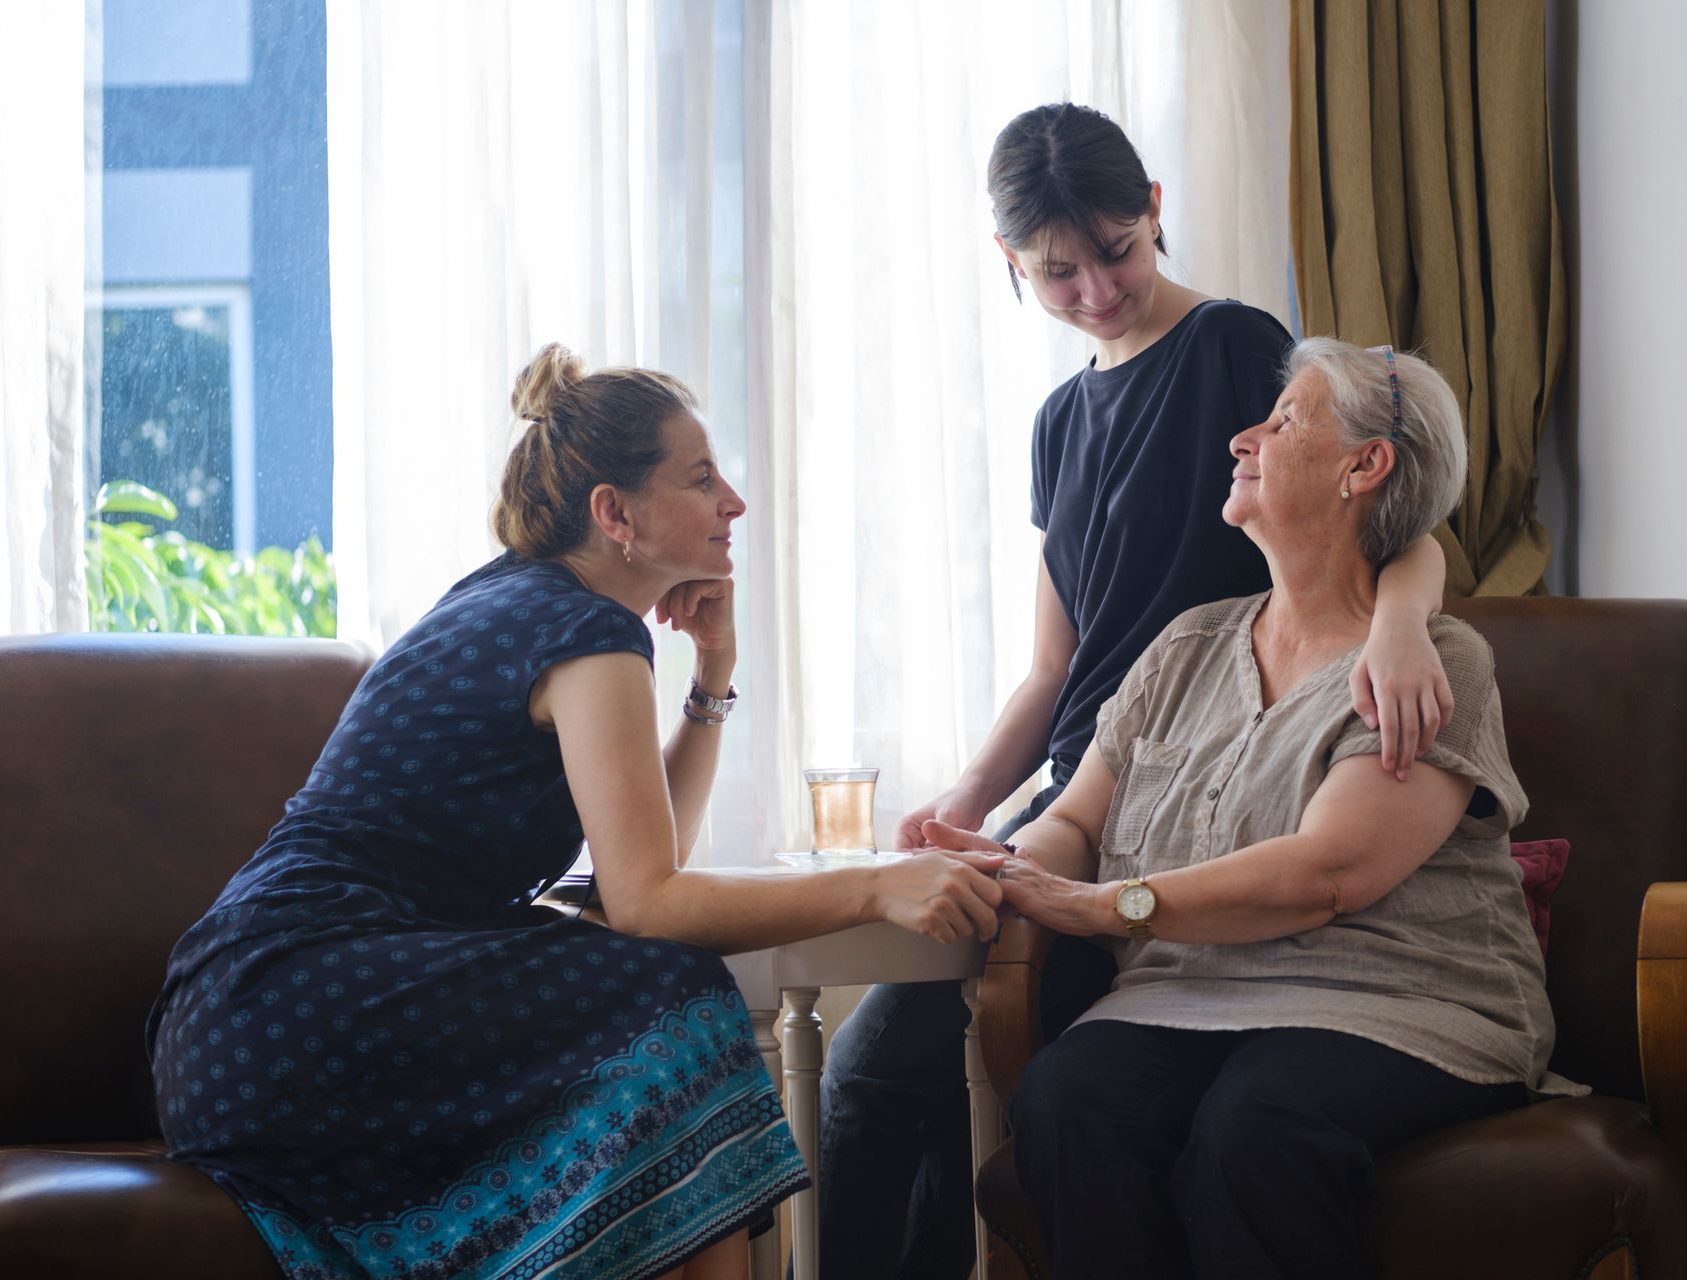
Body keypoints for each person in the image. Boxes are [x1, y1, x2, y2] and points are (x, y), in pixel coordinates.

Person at [148, 346, 1008, 1280]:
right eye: (701, 478)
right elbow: (651, 901)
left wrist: (712, 678)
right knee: (670, 993)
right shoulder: (585, 632)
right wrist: (880, 884)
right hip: (301, 1000)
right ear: (616, 514)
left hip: (240, 1017)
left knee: (652, 995)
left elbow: (646, 862)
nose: (735, 504)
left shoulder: (522, 601)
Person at [817, 104, 1458, 1280]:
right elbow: (1054, 669)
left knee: (899, 1074)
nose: (1098, 289)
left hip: (1210, 786)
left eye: (1116, 249)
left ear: (1156, 207)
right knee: (868, 1079)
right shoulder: (1059, 422)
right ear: (1008, 260)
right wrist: (963, 806)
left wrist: (1408, 623)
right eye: (1059, 271)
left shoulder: (1235, 350)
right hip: (1092, 782)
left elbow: (1398, 504)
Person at [926, 338, 1576, 1278]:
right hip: (1186, 995)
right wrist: (1019, 860)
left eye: (1283, 421)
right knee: (1068, 1101)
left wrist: (1111, 906)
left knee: (1255, 1130)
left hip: (1398, 1002)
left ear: (1365, 466)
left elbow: (1329, 873)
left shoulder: (1437, 668)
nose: (1244, 438)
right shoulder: (1188, 647)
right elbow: (1076, 819)